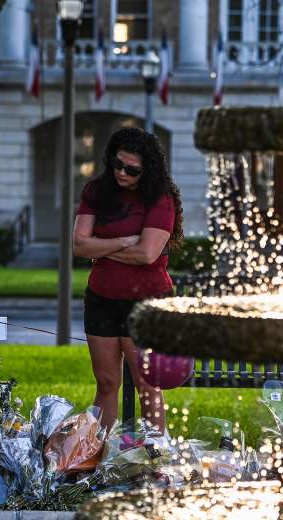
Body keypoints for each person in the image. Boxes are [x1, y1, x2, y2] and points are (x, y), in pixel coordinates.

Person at [72, 127, 184, 432]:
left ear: (147, 170)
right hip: (101, 300)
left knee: (147, 384)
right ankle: (97, 457)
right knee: (106, 383)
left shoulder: (161, 199)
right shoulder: (96, 191)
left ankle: (152, 458)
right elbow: (79, 245)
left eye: (131, 169)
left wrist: (101, 248)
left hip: (146, 302)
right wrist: (123, 242)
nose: (122, 173)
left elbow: (147, 255)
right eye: (117, 164)